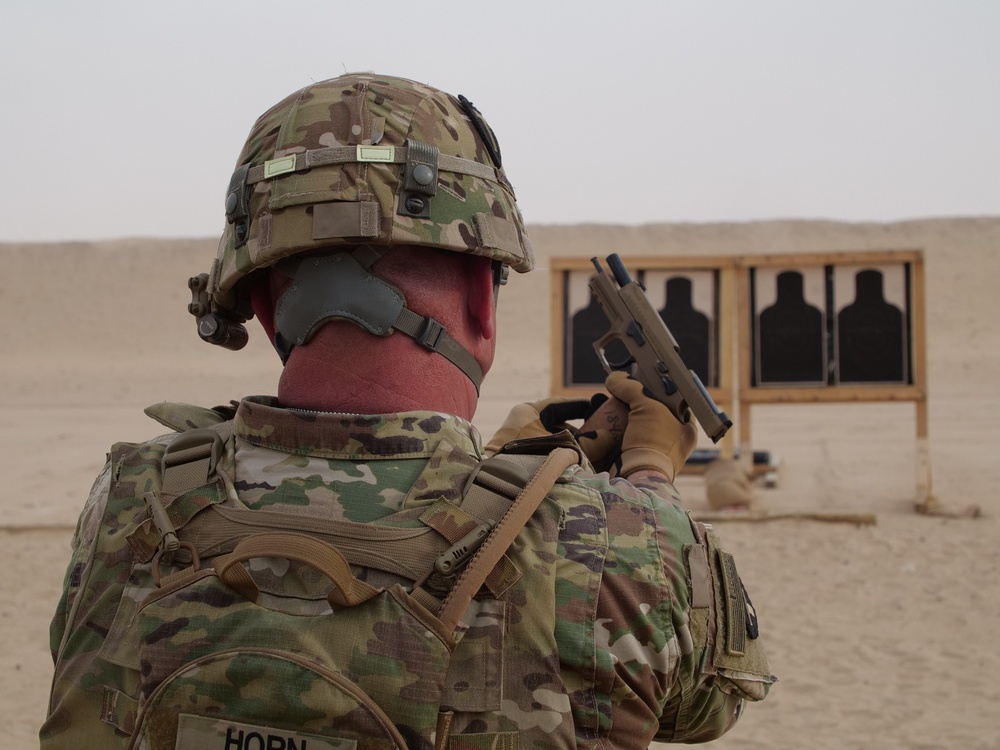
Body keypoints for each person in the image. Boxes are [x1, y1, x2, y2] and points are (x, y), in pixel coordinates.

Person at [42, 73, 773, 749]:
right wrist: (646, 475)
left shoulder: (129, 497)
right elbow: (711, 701)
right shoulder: (623, 536)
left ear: (263, 307)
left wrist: (513, 470)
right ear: (484, 304)